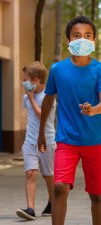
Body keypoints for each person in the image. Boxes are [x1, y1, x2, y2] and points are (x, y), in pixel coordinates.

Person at [37, 16, 101, 225]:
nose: (82, 39)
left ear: (94, 41)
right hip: (66, 140)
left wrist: (93, 110)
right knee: (59, 187)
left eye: (87, 36)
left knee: (97, 195)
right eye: (76, 35)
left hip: (96, 141)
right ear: (68, 40)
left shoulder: (99, 69)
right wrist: (41, 133)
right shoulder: (57, 69)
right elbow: (48, 100)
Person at [16, 61, 56, 220]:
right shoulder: (26, 97)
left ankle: (52, 203)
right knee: (30, 173)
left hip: (47, 141)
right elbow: (31, 117)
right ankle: (30, 209)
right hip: (30, 141)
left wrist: (31, 98)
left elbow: (42, 116)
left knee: (48, 175)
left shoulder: (49, 96)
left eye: (26, 78)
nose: (24, 82)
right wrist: (29, 97)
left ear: (36, 80)